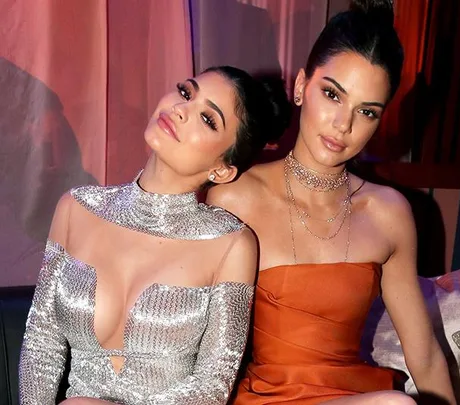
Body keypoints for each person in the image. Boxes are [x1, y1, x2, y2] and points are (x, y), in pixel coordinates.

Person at [207, 1, 456, 404]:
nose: (344, 125)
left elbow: (425, 358)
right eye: (332, 94)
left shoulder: (388, 213)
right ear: (301, 85)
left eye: (367, 112)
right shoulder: (235, 197)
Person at [18, 65, 291, 405]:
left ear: (222, 169)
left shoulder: (231, 244)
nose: (180, 110)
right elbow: (41, 345)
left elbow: (212, 386)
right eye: (186, 93)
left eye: (208, 119)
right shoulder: (76, 209)